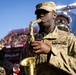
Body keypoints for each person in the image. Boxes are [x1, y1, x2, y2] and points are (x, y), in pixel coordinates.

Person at [20, 1, 76, 75]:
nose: (41, 15)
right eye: (38, 13)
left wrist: (50, 52)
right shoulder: (31, 41)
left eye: (44, 12)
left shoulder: (69, 38)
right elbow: (22, 69)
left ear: (54, 15)